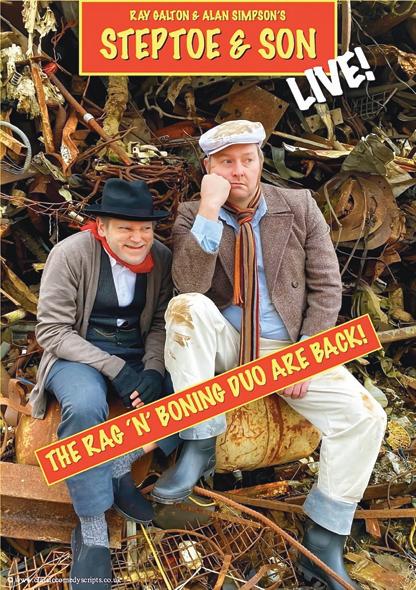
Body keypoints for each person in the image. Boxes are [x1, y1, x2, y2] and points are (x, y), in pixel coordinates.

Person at [151, 120, 387, 590]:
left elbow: (327, 286)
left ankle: (323, 541)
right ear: (209, 168)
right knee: (186, 307)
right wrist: (210, 210)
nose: (238, 171)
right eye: (226, 162)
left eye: (247, 159)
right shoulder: (192, 213)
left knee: (367, 417)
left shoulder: (298, 206)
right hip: (226, 343)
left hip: (288, 347)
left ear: (261, 161)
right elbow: (189, 284)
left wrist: (308, 356)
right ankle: (199, 443)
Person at [31, 178, 179, 589]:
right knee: (85, 406)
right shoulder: (71, 254)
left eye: (145, 229)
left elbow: (160, 322)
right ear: (102, 227)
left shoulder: (161, 257)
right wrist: (114, 368)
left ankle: (118, 464)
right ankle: (92, 528)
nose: (137, 238)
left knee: (187, 394)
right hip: (77, 354)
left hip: (135, 353)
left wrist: (153, 370)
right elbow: (52, 331)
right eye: (125, 228)